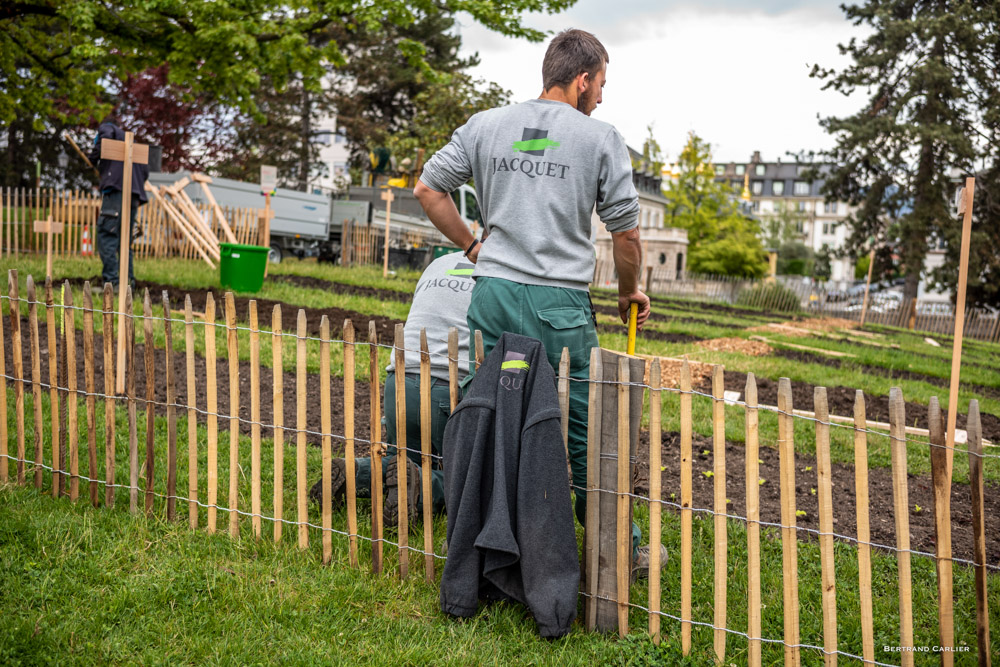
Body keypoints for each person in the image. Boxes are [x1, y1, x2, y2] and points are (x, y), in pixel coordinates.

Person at [413, 29, 662, 578]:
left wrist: (474, 247)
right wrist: (627, 292)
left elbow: (428, 190)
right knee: (585, 428)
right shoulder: (600, 138)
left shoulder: (486, 125)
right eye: (600, 85)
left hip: (493, 296)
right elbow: (626, 236)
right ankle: (622, 548)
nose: (601, 97)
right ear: (580, 80)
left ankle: (489, 542)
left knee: (493, 416)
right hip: (560, 303)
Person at [309, 249, 476, 524]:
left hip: (399, 381)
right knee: (470, 477)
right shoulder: (496, 271)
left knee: (402, 462)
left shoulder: (440, 263)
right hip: (447, 389)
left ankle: (355, 473)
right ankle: (423, 488)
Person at [88, 114, 149, 288]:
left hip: (116, 193)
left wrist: (93, 159)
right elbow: (145, 172)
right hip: (133, 195)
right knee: (124, 240)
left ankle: (111, 283)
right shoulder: (132, 144)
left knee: (107, 235)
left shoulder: (108, 128)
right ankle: (127, 283)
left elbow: (104, 138)